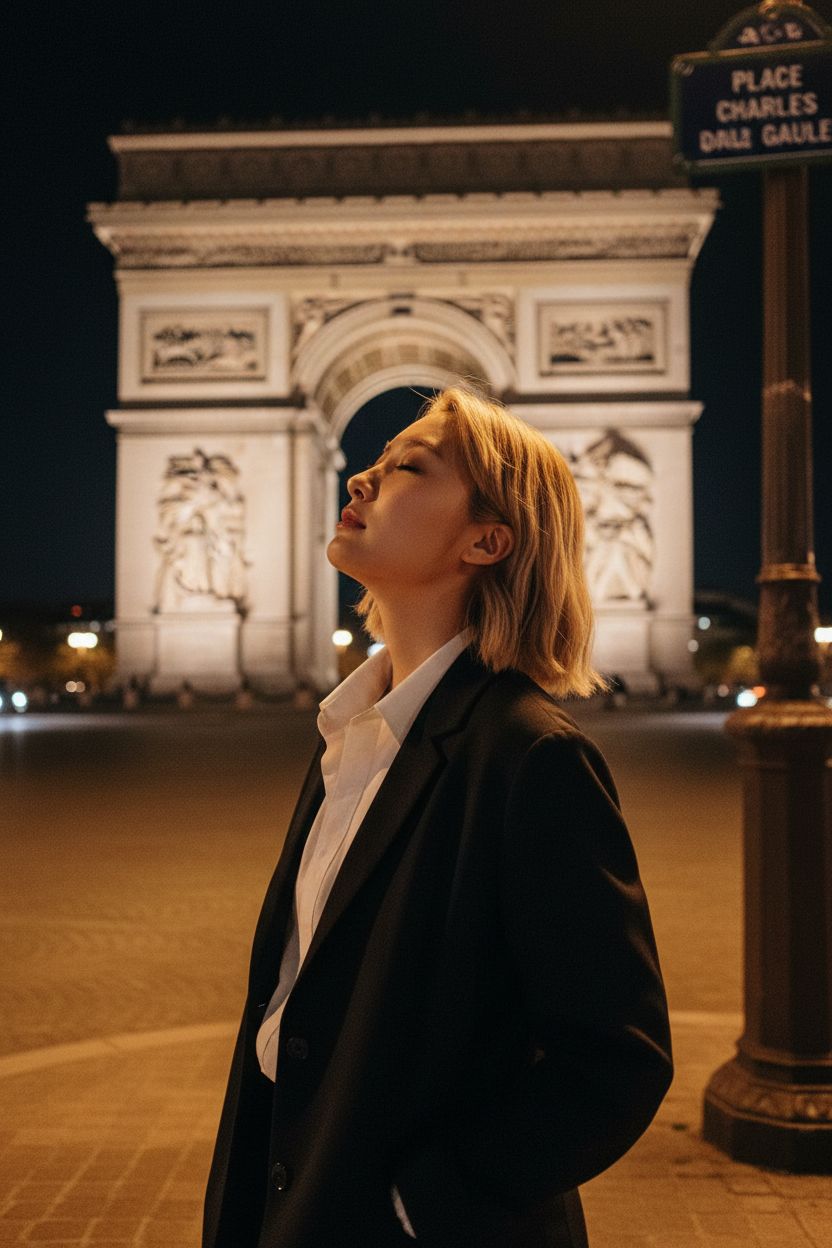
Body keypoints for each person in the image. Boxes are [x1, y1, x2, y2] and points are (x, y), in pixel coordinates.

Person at [203, 385, 672, 1248]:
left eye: (406, 466)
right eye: (373, 460)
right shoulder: (349, 732)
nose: (360, 480)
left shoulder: (533, 758)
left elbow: (618, 1059)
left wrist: (431, 1202)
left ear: (487, 540)